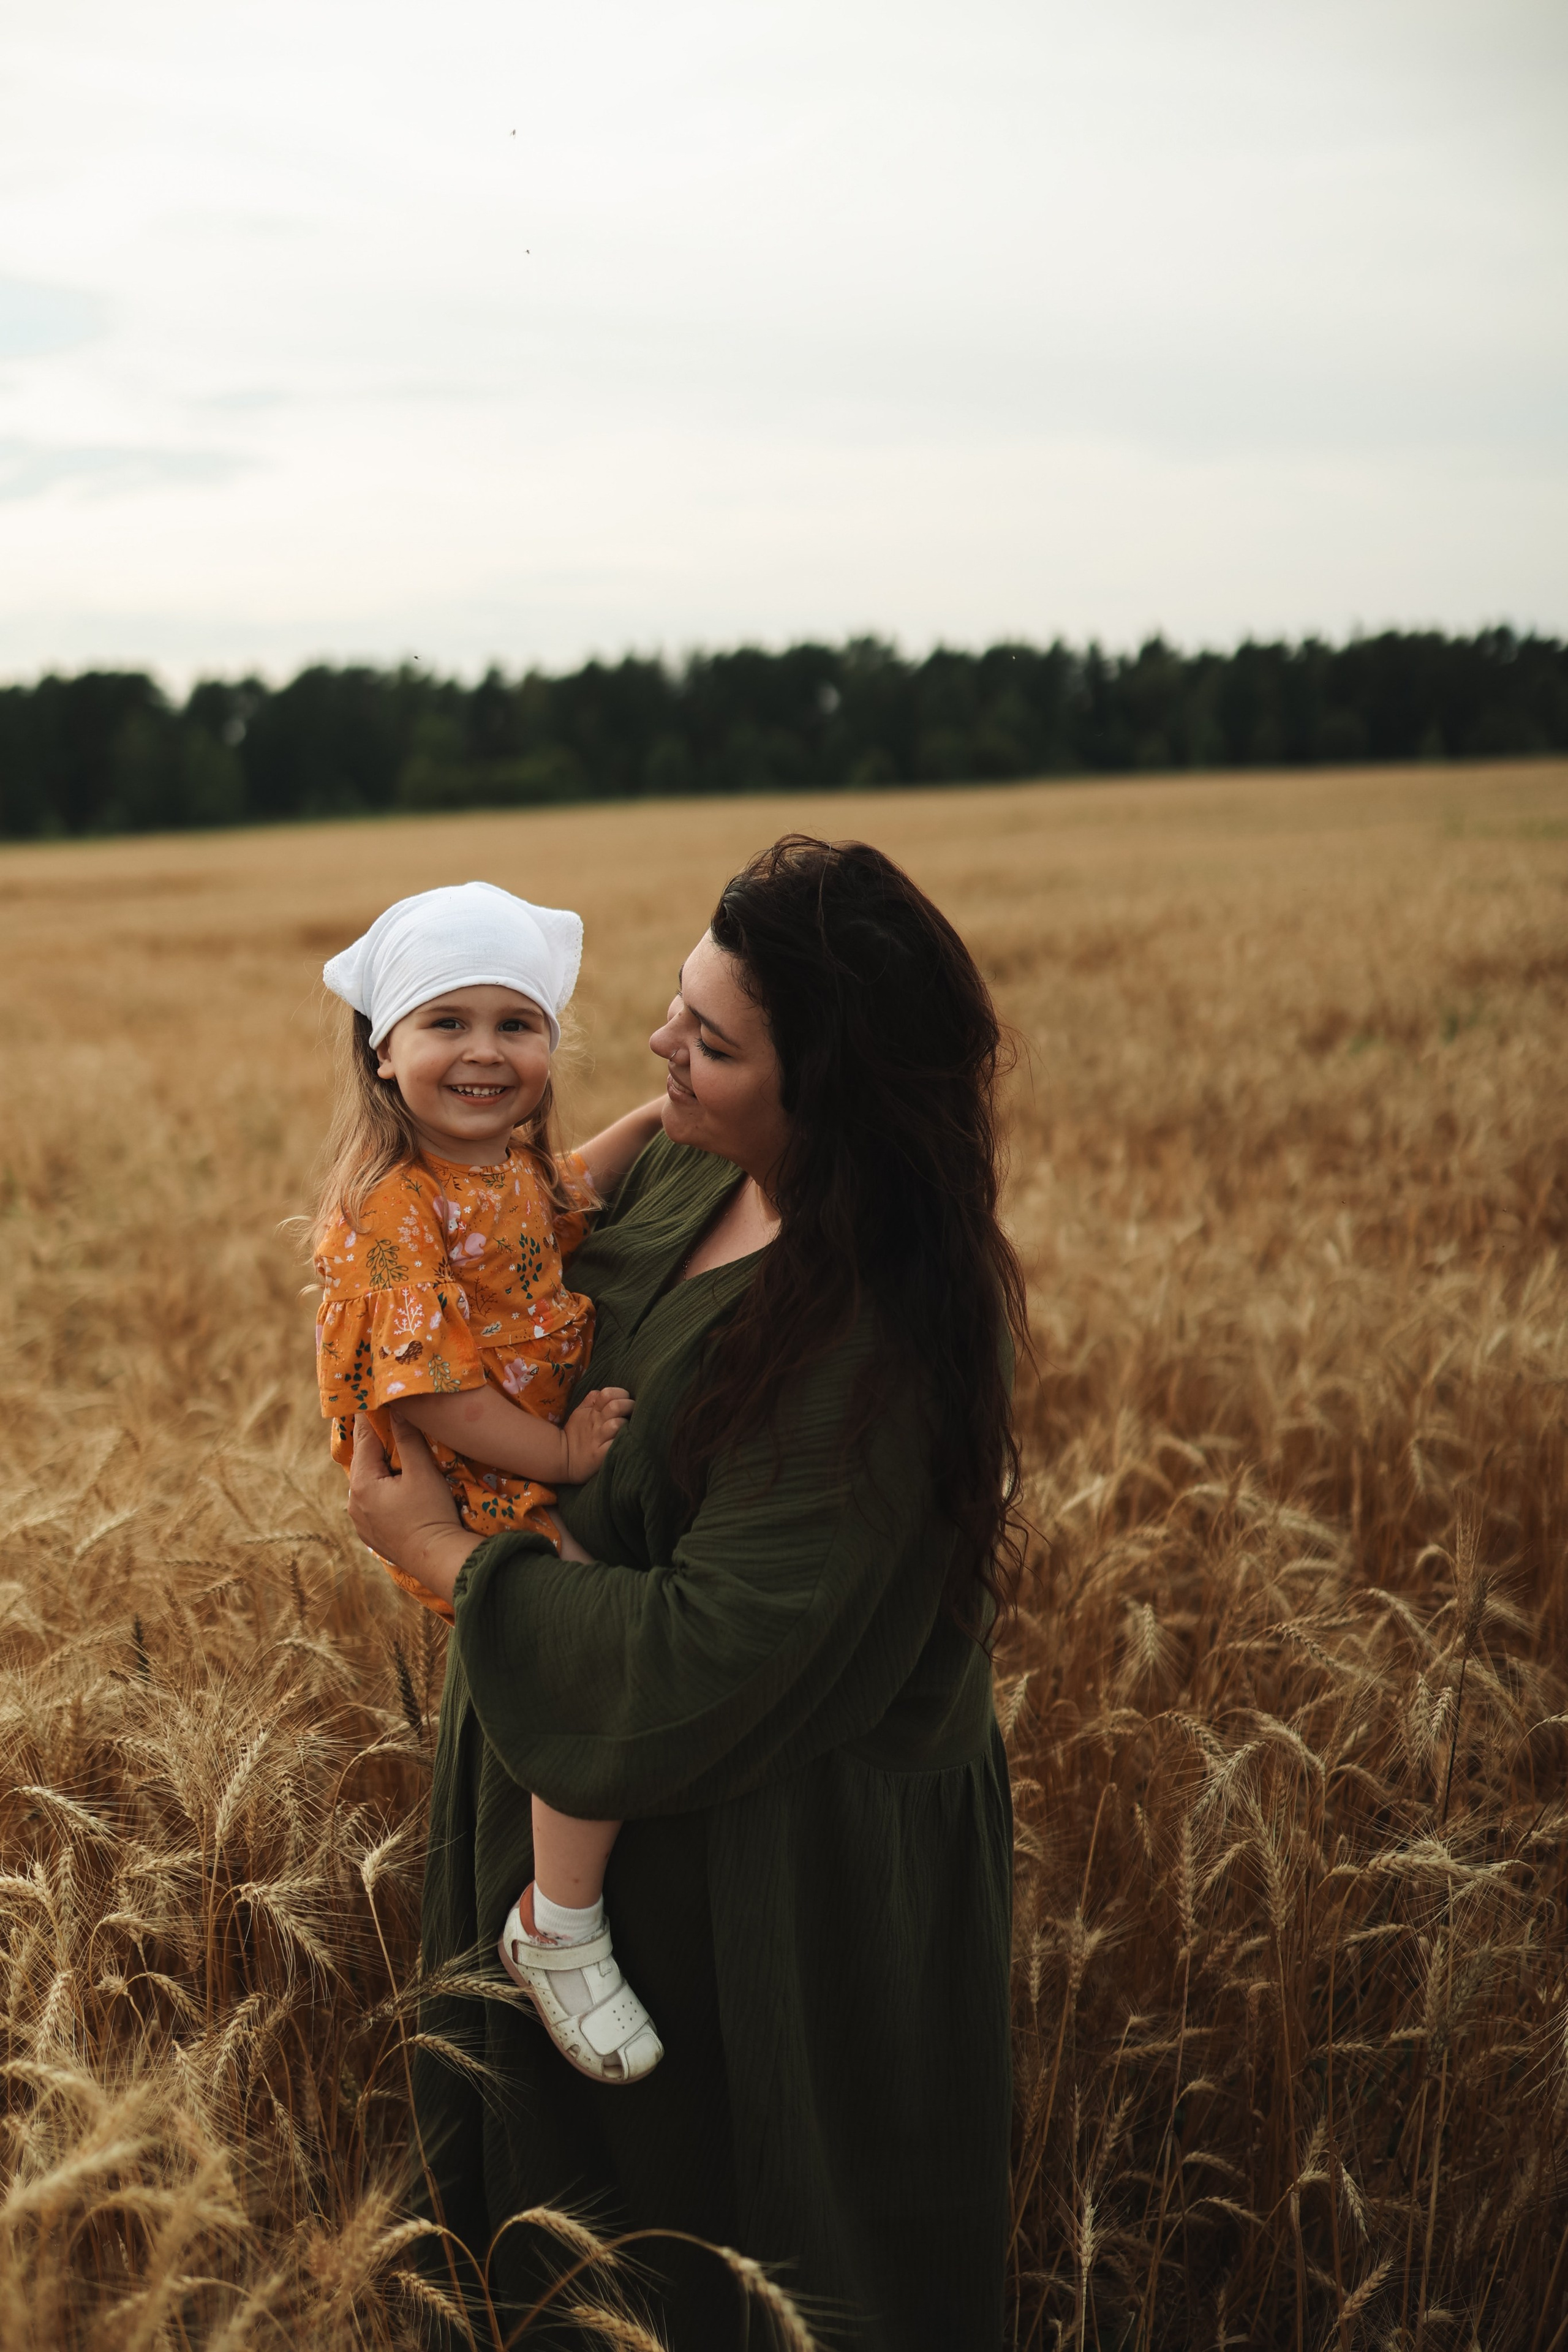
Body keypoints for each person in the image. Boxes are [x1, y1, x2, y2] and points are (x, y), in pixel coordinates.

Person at [347, 837, 1027, 2352]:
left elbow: (707, 1654)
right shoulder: (675, 1163)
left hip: (763, 1903)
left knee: (737, 2275)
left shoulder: (874, 1337)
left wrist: (444, 1555)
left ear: (832, 1098)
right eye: (675, 1006)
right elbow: (490, 1276)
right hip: (565, 1787)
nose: (658, 1052)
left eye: (712, 1044)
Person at [315, 880, 668, 2084]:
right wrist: (565, 1457)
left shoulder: (501, 1171)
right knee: (586, 1643)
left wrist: (665, 1118)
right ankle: (556, 1923)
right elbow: (433, 1397)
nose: (483, 1051)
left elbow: (567, 1194)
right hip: (464, 1476)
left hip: (500, 1444)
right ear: (384, 1052)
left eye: (514, 1023)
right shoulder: (392, 1210)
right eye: (445, 1021)